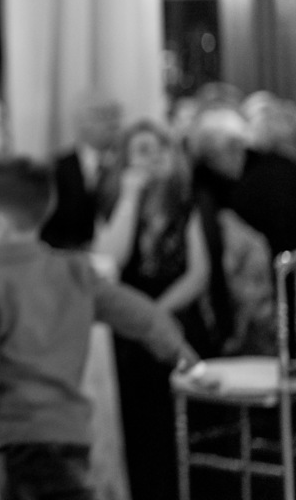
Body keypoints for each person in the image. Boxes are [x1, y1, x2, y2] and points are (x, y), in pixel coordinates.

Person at [0, 156, 203, 500]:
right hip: (73, 430)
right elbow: (144, 317)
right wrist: (184, 356)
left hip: (17, 436)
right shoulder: (74, 270)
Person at [90, 119, 211, 500]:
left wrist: (153, 314)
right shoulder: (113, 203)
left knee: (159, 357)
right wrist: (129, 198)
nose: (153, 158)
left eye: (159, 149)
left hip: (172, 312)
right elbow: (109, 262)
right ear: (126, 159)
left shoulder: (187, 202)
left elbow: (198, 274)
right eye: (143, 150)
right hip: (127, 321)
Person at [40, 90, 122, 251]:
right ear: (80, 122)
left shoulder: (126, 165)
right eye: (101, 115)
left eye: (114, 115)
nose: (111, 123)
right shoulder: (56, 168)